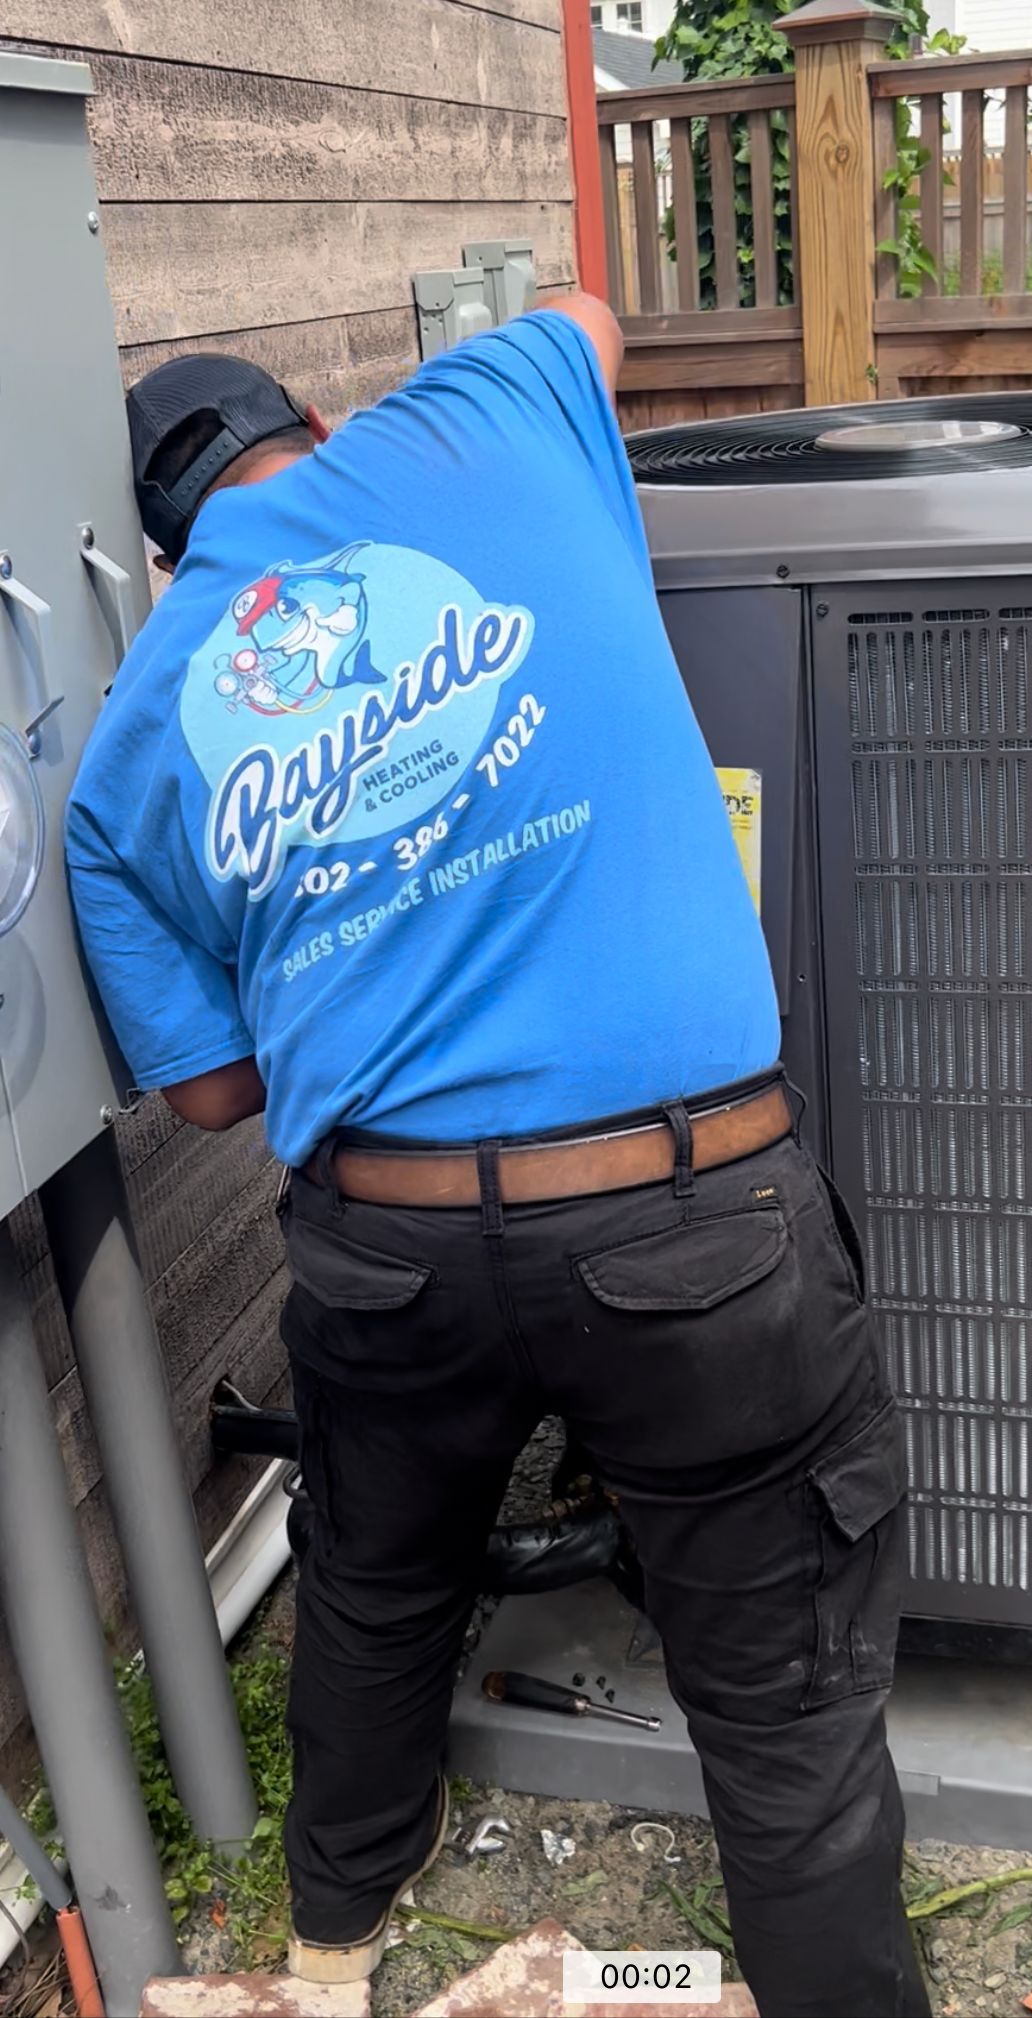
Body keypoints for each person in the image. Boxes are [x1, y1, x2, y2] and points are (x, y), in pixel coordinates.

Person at [66, 296, 931, 2018]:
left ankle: (330, 1956)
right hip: (692, 1220)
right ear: (313, 422)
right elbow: (591, 314)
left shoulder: (122, 758)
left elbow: (220, 1100)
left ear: (172, 554)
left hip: (390, 1259)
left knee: (378, 1602)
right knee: (778, 1697)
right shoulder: (493, 410)